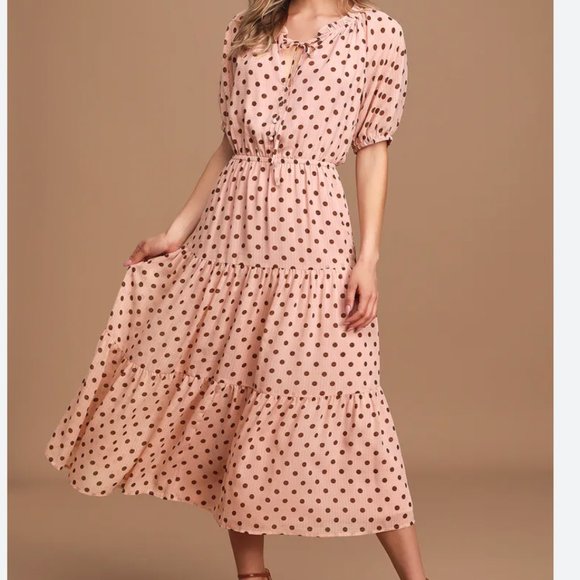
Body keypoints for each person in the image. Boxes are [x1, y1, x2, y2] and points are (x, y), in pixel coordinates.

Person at [44, 0, 429, 578]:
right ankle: (252, 576)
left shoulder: (377, 33)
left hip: (313, 239)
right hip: (232, 238)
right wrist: (177, 230)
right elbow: (230, 145)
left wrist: (367, 259)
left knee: (351, 397)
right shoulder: (248, 29)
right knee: (237, 400)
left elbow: (373, 148)